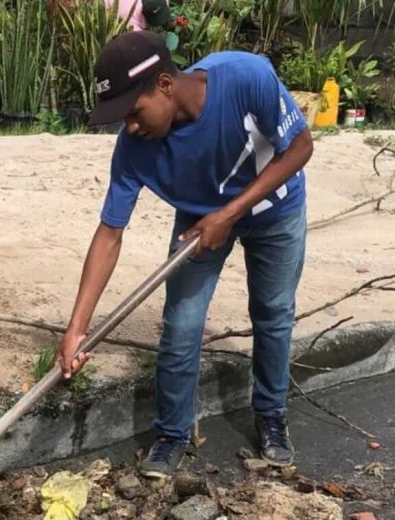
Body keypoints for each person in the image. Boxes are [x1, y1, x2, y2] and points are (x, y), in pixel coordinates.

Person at [57, 31, 313, 479]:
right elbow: (110, 232)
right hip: (200, 223)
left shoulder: (246, 78)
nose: (131, 127)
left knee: (272, 312)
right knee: (181, 324)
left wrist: (230, 213)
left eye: (133, 112)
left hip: (276, 210)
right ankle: (172, 434)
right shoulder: (134, 147)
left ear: (165, 85)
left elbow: (301, 147)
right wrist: (77, 329)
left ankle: (271, 416)